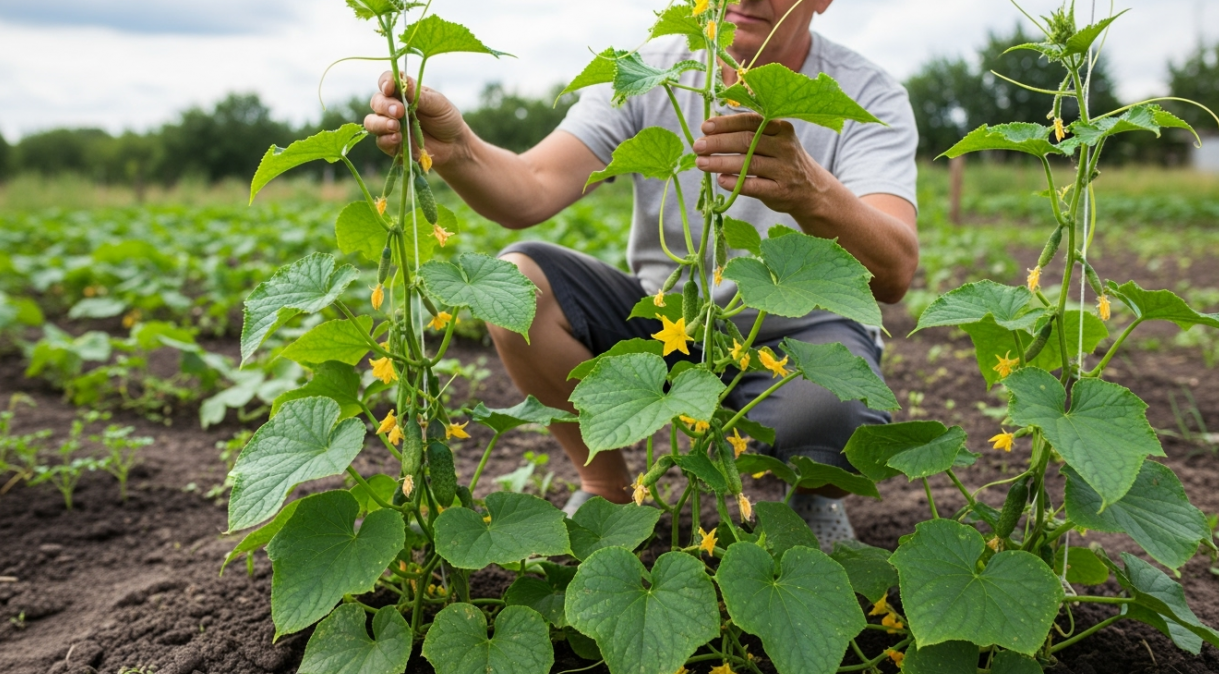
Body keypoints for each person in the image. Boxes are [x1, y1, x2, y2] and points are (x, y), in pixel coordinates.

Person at [364, 0, 918, 550]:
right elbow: (530, 187)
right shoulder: (651, 70)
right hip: (666, 321)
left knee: (828, 413)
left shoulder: (865, 93)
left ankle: (813, 492)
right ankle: (605, 485)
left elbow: (894, 270)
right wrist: (457, 148)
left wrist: (812, 191)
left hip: (798, 336)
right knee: (516, 284)